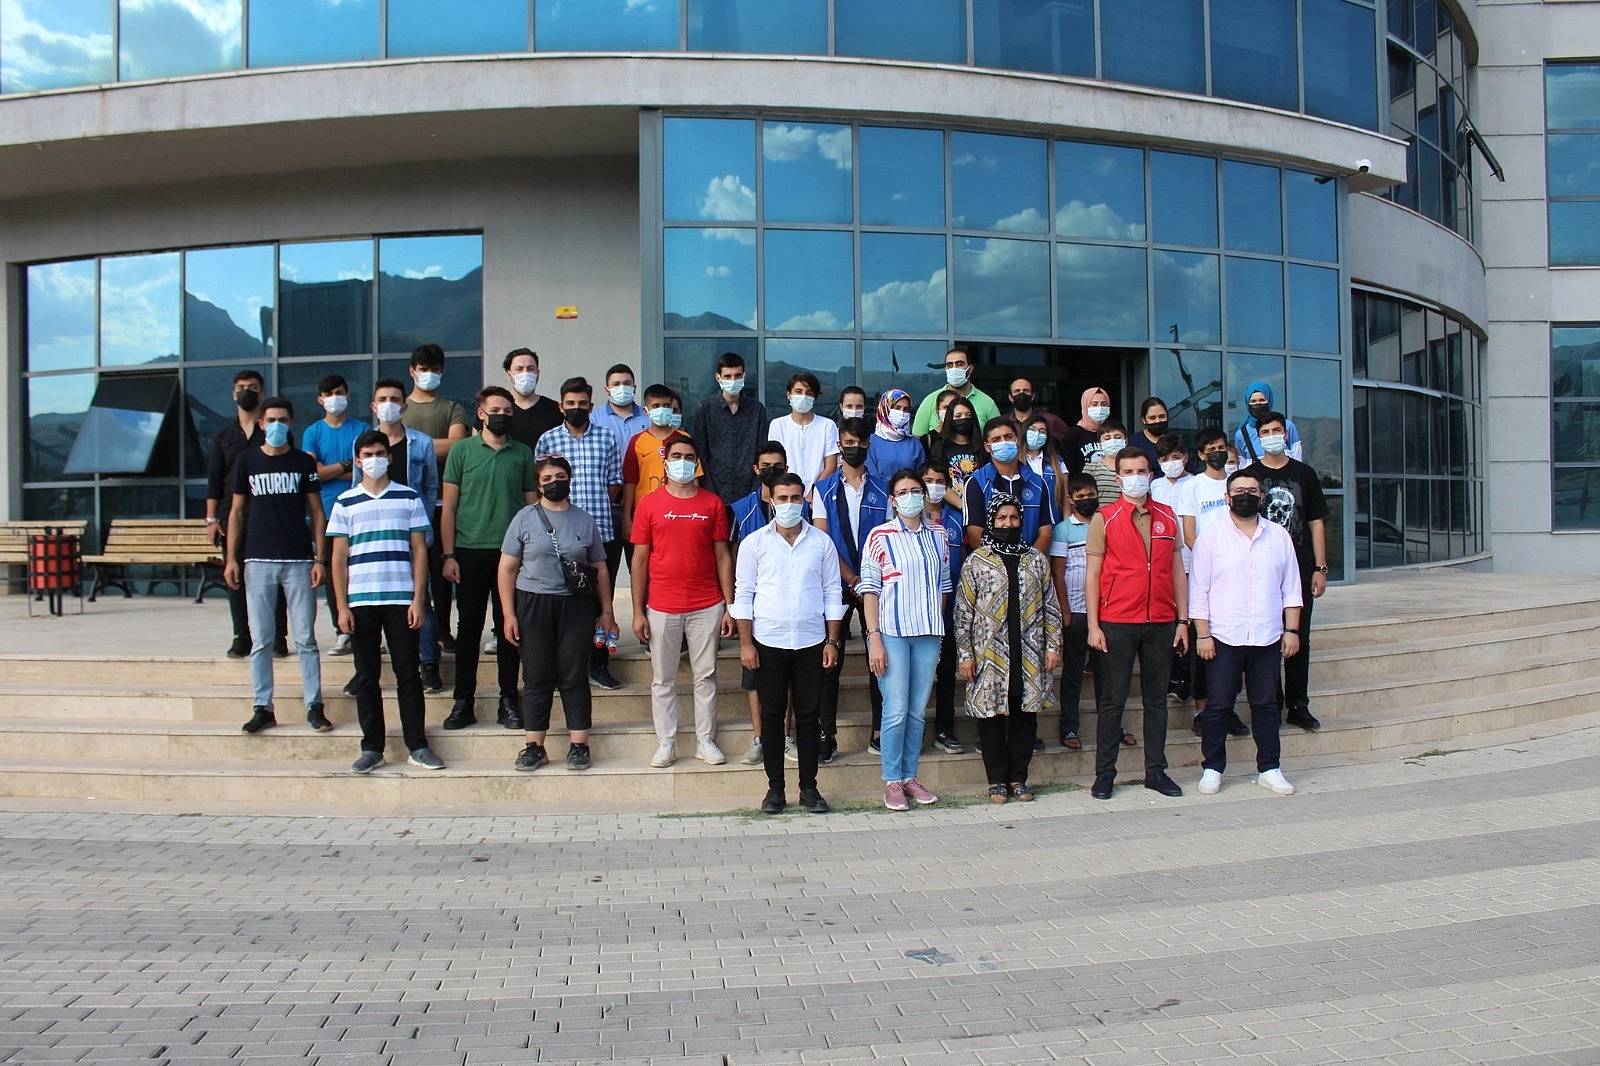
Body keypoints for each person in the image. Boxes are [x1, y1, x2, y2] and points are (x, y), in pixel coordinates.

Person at [328, 430, 443, 773]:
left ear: (389, 457)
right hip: (361, 601)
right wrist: (342, 607)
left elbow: (419, 551)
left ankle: (417, 745)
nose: (374, 459)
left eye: (380, 453)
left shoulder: (408, 497)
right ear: (358, 460)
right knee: (366, 676)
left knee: (408, 674)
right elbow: (338, 558)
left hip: (401, 598)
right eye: (367, 455)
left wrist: (418, 599)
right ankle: (372, 747)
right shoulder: (345, 502)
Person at [732, 472, 844, 815]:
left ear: (804, 500)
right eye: (783, 498)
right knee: (772, 717)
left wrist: (832, 640)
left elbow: (832, 592)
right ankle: (775, 789)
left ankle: (809, 788)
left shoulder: (821, 543)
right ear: (771, 500)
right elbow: (743, 594)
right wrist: (746, 644)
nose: (790, 504)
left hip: (812, 642)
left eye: (796, 498)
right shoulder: (754, 543)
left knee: (809, 717)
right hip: (768, 642)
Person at [498, 455, 616, 773]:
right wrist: (508, 614)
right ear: (538, 485)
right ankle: (534, 746)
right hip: (533, 603)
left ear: (570, 479)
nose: (554, 483)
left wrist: (607, 611)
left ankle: (579, 745)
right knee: (536, 675)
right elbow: (507, 568)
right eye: (547, 478)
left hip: (575, 606)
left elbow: (600, 567)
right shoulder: (524, 518)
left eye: (560, 476)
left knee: (573, 673)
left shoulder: (584, 520)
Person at [1084, 447, 1189, 801]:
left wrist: (1182, 620)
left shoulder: (1168, 516)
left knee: (1156, 701)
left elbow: (1177, 570)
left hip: (1160, 620)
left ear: (1151, 475)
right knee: (1112, 701)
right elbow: (1093, 575)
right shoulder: (1105, 518)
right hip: (1117, 621)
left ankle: (1155, 771)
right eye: (1128, 472)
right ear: (1118, 478)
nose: (1135, 478)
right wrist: (1094, 625)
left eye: (1141, 471)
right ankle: (1105, 774)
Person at [1191, 470, 1304, 797]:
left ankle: (1269, 768)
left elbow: (1291, 589)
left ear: (1262, 496)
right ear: (1227, 497)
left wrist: (1292, 630)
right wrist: (1202, 635)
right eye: (1238, 491)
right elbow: (1198, 590)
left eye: (1252, 491)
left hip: (1266, 636)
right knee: (1218, 706)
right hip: (1223, 637)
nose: (1245, 496)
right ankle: (1212, 768)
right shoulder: (1211, 537)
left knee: (1266, 705)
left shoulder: (1279, 536)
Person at [223, 396, 328, 735]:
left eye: (283, 420)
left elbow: (317, 512)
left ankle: (314, 705)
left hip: (298, 560)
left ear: (291, 422)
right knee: (261, 640)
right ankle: (262, 707)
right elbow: (237, 512)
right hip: (258, 560)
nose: (277, 425)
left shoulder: (302, 462)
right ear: (261, 424)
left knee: (305, 638)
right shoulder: (247, 461)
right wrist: (231, 558)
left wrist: (320, 558)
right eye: (271, 420)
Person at [632, 435, 736, 768]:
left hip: (707, 604)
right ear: (665, 462)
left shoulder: (712, 504)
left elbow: (723, 556)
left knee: (706, 676)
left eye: (689, 457)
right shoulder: (648, 504)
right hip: (662, 605)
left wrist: (730, 605)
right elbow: (639, 559)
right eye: (676, 456)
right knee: (663, 679)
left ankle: (706, 740)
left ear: (697, 463)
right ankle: (666, 742)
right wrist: (637, 611)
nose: (682, 462)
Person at [955, 493, 1063, 804]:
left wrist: (1053, 646)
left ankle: (1019, 778)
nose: (1008, 523)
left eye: (1014, 517)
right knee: (990, 718)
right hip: (989, 655)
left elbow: (1051, 606)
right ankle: (996, 780)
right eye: (1002, 518)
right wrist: (965, 654)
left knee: (1024, 718)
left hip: (1029, 654)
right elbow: (963, 612)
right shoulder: (977, 561)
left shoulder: (1035, 559)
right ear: (992, 521)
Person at [440, 386, 537, 731]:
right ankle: (463, 701)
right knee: (468, 628)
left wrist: (532, 553)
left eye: (508, 411)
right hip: (469, 551)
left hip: (511, 555)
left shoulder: (522, 453)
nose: (502, 416)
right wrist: (448, 554)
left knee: (510, 627)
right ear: (480, 413)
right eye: (496, 410)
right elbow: (449, 507)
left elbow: (531, 505)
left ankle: (508, 699)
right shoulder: (462, 451)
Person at [860, 469, 952, 812]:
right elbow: (870, 590)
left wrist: (935, 621)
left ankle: (910, 775)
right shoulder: (879, 536)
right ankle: (892, 780)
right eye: (903, 491)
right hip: (893, 634)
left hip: (928, 634)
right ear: (893, 499)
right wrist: (874, 638)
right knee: (896, 710)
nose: (911, 496)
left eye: (916, 490)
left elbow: (944, 586)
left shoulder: (939, 535)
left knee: (916, 712)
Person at [1240, 410, 1329, 732]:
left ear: (1286, 434)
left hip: (1300, 568)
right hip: (1262, 570)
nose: (1272, 436)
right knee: (1267, 638)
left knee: (1298, 636)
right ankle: (1271, 703)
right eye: (1265, 432)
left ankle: (1298, 705)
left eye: (1276, 430)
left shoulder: (1305, 474)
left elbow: (1316, 522)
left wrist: (1320, 567)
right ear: (1258, 437)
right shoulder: (1250, 475)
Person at [535, 377, 624, 691]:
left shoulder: (606, 438)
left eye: (582, 404)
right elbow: (541, 485)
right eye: (570, 404)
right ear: (561, 406)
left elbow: (614, 484)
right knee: (564, 602)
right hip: (559, 536)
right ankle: (565, 667)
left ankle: (598, 664)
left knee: (600, 602)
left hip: (600, 531)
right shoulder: (547, 441)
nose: (576, 408)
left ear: (591, 405)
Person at [812, 417, 889, 760]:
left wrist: (867, 579)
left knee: (880, 658)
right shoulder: (823, 489)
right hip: (835, 583)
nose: (854, 448)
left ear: (868, 445)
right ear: (839, 446)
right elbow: (823, 539)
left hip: (875, 584)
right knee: (830, 660)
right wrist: (850, 578)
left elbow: (887, 537)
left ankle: (879, 730)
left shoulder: (884, 489)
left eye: (859, 442)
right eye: (848, 443)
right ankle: (825, 735)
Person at [729, 441, 806, 765]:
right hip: (755, 611)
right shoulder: (741, 509)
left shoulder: (800, 507)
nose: (772, 470)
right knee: (754, 677)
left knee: (787, 681)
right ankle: (761, 738)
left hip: (791, 609)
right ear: (756, 469)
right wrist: (732, 608)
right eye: (766, 466)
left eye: (778, 465)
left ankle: (785, 737)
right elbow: (733, 562)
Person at [368, 378, 443, 693]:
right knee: (375, 601)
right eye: (383, 399)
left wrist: (421, 526)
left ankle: (429, 663)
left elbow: (430, 487)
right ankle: (368, 668)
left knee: (421, 599)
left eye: (395, 399)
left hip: (412, 533)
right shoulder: (366, 444)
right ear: (374, 406)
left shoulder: (421, 443)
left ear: (404, 405)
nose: (389, 404)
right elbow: (359, 487)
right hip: (378, 534)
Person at [205, 369, 287, 659]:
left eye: (252, 387)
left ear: (262, 393)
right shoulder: (223, 436)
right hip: (233, 516)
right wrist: (211, 519)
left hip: (269, 514)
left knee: (275, 577)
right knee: (234, 575)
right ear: (233, 393)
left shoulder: (274, 431)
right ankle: (242, 635)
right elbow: (214, 480)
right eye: (241, 387)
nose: (246, 392)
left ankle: (278, 637)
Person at [1177, 428, 1248, 737]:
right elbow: (1189, 535)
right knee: (1203, 645)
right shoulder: (1192, 487)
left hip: (1238, 577)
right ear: (1201, 454)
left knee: (1235, 643)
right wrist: (1216, 560)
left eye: (1221, 447)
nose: (1218, 452)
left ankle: (1228, 708)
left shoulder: (1238, 484)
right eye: (1211, 448)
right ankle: (1202, 710)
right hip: (1205, 574)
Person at [401, 343, 469, 655]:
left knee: (441, 572)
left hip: (442, 502)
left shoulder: (451, 408)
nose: (429, 374)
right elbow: (390, 442)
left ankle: (442, 630)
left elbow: (457, 445)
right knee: (408, 571)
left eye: (435, 369)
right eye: (423, 369)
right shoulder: (400, 407)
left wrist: (412, 442)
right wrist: (434, 445)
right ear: (412, 371)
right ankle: (410, 631)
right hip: (405, 504)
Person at [301, 373, 369, 655]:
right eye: (329, 394)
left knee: (362, 570)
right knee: (333, 571)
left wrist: (330, 470)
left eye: (339, 392)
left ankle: (368, 632)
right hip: (328, 512)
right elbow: (312, 473)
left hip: (360, 511)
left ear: (348, 395)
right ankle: (343, 631)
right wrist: (346, 466)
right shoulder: (313, 432)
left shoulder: (362, 429)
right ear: (320, 400)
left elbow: (366, 470)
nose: (335, 398)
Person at [590, 363, 650, 619]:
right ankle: (603, 627)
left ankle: (645, 626)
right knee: (605, 571)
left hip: (642, 507)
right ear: (606, 389)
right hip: (607, 507)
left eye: (626, 383)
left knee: (644, 570)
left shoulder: (648, 418)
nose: (622, 388)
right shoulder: (594, 419)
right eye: (616, 384)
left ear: (634, 387)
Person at [1049, 473, 1103, 751]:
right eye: (1080, 497)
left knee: (1107, 673)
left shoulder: (1106, 522)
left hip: (1105, 611)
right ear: (1070, 499)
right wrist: (1065, 610)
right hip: (1076, 610)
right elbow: (1058, 573)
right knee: (1073, 672)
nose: (1086, 500)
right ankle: (1069, 726)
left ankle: (1112, 727)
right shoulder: (1063, 530)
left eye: (1090, 495)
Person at [921, 462, 967, 755]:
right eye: (928, 480)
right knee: (918, 675)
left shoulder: (956, 518)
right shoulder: (911, 519)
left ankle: (945, 729)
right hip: (918, 610)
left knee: (947, 672)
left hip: (949, 610)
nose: (934, 486)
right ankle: (915, 731)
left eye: (940, 481)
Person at [689, 351, 769, 507]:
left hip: (750, 492)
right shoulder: (705, 408)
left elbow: (761, 450)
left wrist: (756, 488)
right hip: (713, 491)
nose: (733, 380)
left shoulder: (756, 409)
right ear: (718, 377)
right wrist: (708, 490)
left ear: (744, 376)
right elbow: (700, 452)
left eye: (737, 375)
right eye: (727, 376)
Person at [963, 418, 1056, 552]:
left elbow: (1045, 532)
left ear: (1017, 440)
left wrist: (1028, 561)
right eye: (996, 440)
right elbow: (974, 534)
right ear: (987, 447)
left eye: (1008, 437)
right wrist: (1002, 561)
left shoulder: (1038, 483)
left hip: (1030, 561)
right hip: (991, 562)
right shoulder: (976, 482)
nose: (1003, 442)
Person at [622, 384, 700, 541]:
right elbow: (630, 483)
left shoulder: (684, 438)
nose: (661, 410)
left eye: (666, 406)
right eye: (656, 406)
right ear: (646, 410)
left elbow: (695, 478)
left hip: (679, 512)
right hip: (644, 514)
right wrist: (626, 518)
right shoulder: (637, 441)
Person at [1151, 431, 1194, 704]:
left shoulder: (1195, 483)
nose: (1171, 463)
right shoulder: (1154, 486)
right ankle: (1170, 677)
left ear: (1186, 458)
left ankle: (1185, 679)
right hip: (1163, 563)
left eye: (1176, 457)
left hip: (1190, 562)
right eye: (1165, 459)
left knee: (1186, 621)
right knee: (1168, 622)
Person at [767, 371, 839, 494]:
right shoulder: (777, 425)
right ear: (789, 395)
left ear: (815, 397)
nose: (803, 396)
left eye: (809, 393)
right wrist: (791, 493)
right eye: (798, 391)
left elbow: (831, 465)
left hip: (818, 494)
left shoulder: (827, 425)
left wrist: (814, 492)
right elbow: (775, 462)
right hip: (787, 494)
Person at [911, 348, 1001, 436]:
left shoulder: (987, 402)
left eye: (959, 364)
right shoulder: (931, 400)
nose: (954, 369)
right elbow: (917, 438)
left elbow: (999, 435)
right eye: (949, 365)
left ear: (970, 369)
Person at [503, 347, 563, 450]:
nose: (525, 373)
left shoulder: (555, 409)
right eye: (519, 369)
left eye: (531, 369)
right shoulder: (498, 410)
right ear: (509, 375)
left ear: (538, 373)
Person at [1233, 381, 1303, 464]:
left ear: (1269, 401)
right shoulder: (1241, 434)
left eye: (1262, 400)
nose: (1258, 404)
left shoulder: (1287, 426)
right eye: (1253, 401)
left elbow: (1296, 455)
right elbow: (1241, 462)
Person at [867, 388, 926, 484]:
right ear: (885, 409)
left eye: (906, 409)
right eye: (897, 408)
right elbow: (871, 476)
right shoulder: (871, 442)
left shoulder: (914, 443)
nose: (902, 413)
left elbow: (921, 475)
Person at [1060, 386, 1112, 476]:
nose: (1100, 408)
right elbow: (1067, 466)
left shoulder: (1112, 432)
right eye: (1094, 404)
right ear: (1085, 405)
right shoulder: (1073, 434)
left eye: (1104, 404)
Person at [1006, 377, 1069, 447]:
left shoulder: (1051, 420)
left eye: (1026, 391)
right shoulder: (1006, 423)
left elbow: (1069, 443)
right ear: (1010, 397)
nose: (1022, 394)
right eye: (1017, 391)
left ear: (1033, 396)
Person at [1023, 412, 1069, 502]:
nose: (1037, 434)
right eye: (1032, 429)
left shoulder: (1057, 462)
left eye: (1042, 431)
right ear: (1024, 431)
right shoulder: (1013, 461)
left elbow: (1065, 497)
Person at [1083, 420, 1128, 506]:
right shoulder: (1091, 468)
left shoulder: (1133, 468)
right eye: (1107, 438)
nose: (1113, 441)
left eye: (1117, 437)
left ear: (1125, 441)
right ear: (1100, 444)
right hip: (1100, 514)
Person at [1127, 397, 1171, 466]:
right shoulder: (1132, 443)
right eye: (1152, 418)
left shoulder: (1175, 441)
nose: (1158, 421)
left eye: (1162, 416)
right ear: (1144, 420)